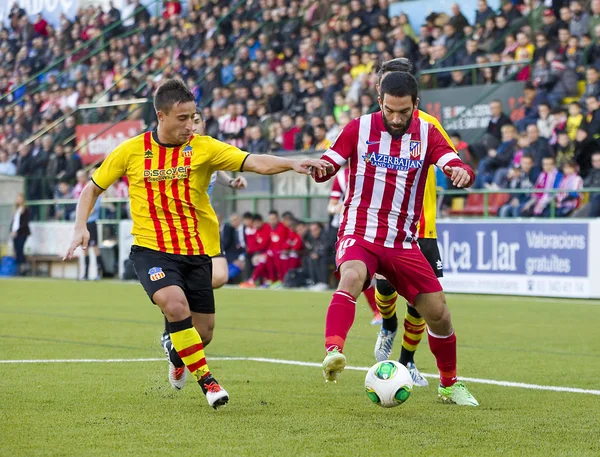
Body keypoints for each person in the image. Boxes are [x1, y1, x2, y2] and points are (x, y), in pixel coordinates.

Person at [64, 78, 329, 409]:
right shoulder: (131, 150)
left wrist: (291, 163)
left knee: (202, 334)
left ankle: (177, 355)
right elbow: (92, 188)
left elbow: (254, 161)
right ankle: (209, 383)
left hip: (195, 251)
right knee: (175, 307)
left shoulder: (204, 147)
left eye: (193, 117)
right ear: (161, 116)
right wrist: (79, 227)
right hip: (151, 250)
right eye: (182, 118)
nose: (190, 125)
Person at [314, 71, 478, 406]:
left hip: (402, 242)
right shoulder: (358, 128)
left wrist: (461, 171)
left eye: (404, 111)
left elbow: (453, 161)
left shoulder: (428, 133)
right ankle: (334, 351)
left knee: (439, 313)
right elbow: (329, 163)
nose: (396, 117)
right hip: (359, 232)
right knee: (352, 276)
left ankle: (449, 385)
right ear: (380, 101)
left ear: (416, 104)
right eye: (390, 110)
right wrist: (319, 169)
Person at [370, 58, 458, 388]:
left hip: (424, 226)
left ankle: (407, 361)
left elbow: (449, 156)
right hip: (386, 224)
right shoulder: (371, 126)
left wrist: (455, 168)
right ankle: (388, 323)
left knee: (422, 302)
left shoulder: (429, 124)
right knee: (384, 286)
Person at [328, 164, 381, 324]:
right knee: (357, 272)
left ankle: (387, 314)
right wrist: (339, 208)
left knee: (381, 274)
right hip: (349, 230)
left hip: (375, 226)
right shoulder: (341, 176)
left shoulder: (375, 169)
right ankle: (377, 313)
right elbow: (331, 206)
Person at [10, 193, 30, 276]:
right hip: (15, 233)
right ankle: (18, 269)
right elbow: (13, 222)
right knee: (16, 250)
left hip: (22, 233)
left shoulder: (26, 210)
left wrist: (17, 231)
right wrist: (11, 230)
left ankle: (23, 269)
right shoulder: (16, 210)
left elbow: (24, 223)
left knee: (20, 249)